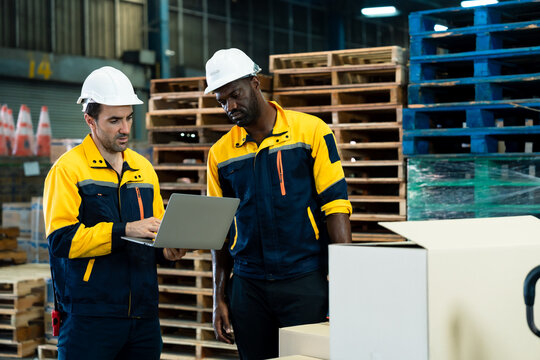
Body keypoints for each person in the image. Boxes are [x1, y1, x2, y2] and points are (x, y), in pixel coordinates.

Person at [205, 48, 352, 360]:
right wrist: (219, 295)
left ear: (255, 84)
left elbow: (336, 206)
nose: (230, 106)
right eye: (221, 101)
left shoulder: (310, 132)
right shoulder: (220, 154)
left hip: (303, 280)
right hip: (248, 287)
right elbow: (216, 231)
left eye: (235, 94)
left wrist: (345, 282)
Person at [43, 66, 186, 360]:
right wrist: (125, 230)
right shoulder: (68, 170)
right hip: (90, 317)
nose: (125, 128)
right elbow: (61, 241)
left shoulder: (143, 169)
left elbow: (154, 231)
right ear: (90, 121)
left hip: (144, 316)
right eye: (114, 120)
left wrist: (167, 251)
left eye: (129, 118)